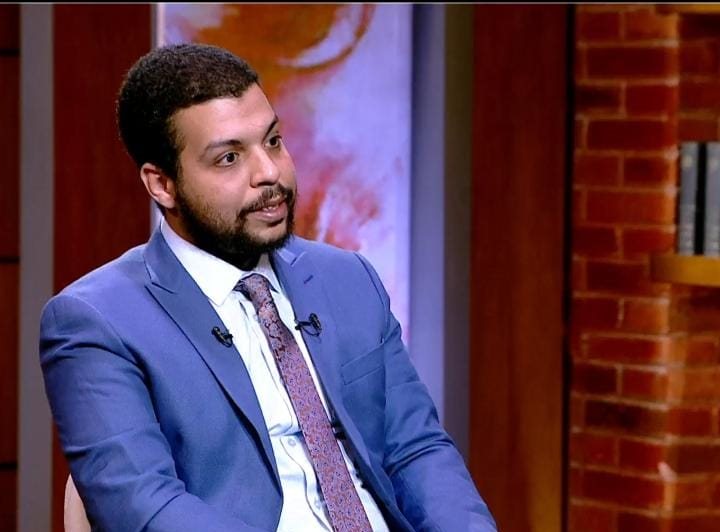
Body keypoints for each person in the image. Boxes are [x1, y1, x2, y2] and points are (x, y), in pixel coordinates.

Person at [40, 43, 496, 532]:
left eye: (273, 141)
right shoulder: (96, 322)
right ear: (162, 184)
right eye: (229, 158)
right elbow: (144, 508)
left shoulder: (348, 278)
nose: (270, 173)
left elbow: (416, 449)